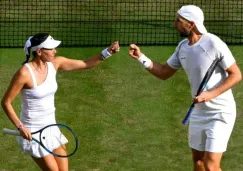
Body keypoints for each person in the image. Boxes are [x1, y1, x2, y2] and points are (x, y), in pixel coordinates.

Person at [128, 5, 241, 171]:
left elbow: (236, 75)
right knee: (199, 163)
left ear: (191, 24)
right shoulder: (182, 47)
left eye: (178, 21)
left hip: (220, 113)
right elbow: (164, 72)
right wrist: (141, 58)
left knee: (211, 165)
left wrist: (210, 94)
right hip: (198, 113)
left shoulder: (213, 43)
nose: (175, 25)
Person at [1, 33, 120, 171]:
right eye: (51, 49)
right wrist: (20, 127)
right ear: (39, 51)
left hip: (51, 127)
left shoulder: (55, 63)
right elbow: (6, 102)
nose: (55, 51)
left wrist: (108, 52)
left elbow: (85, 63)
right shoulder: (24, 73)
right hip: (33, 131)